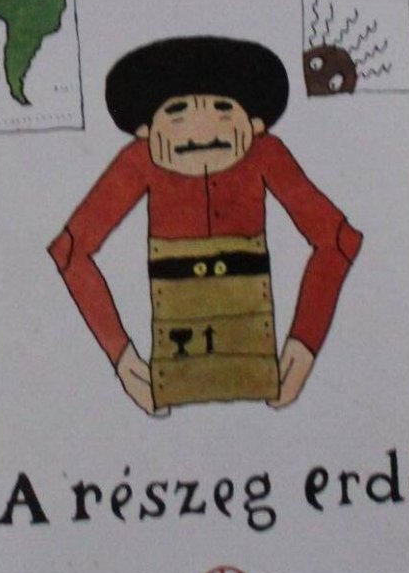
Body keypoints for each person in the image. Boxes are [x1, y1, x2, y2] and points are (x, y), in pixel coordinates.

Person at [49, 36, 363, 415]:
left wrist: (304, 343)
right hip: (174, 365)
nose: (201, 131)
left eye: (223, 108)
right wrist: (123, 358)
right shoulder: (139, 161)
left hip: (254, 361)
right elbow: (70, 251)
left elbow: (338, 240)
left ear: (255, 123)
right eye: (177, 111)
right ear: (145, 129)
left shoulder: (265, 154)